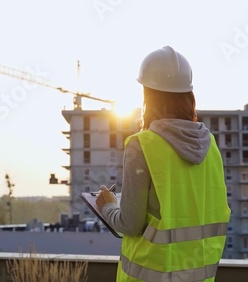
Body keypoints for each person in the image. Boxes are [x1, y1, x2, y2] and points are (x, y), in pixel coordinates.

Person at [96, 46, 231, 282]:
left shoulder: (142, 145)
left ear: (148, 95)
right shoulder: (211, 146)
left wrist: (106, 206)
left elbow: (129, 224)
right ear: (189, 95)